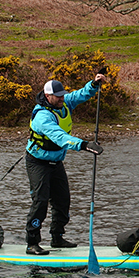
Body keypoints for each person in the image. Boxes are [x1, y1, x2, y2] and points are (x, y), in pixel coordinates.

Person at [25, 75, 106, 255]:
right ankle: (32, 242)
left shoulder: (63, 103)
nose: (62, 98)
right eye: (58, 96)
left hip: (56, 162)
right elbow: (60, 137)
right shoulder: (42, 116)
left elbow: (80, 95)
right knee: (41, 201)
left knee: (63, 200)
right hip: (38, 162)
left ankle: (57, 237)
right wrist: (84, 145)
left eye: (63, 95)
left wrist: (93, 84)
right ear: (48, 96)